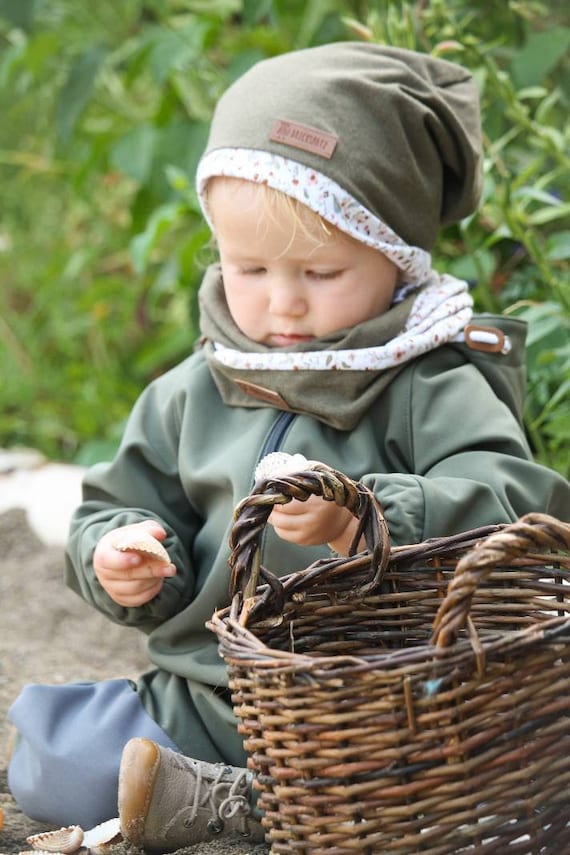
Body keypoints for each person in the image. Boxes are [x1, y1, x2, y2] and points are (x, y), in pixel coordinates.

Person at [8, 41, 570, 851]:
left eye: (321, 272)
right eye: (250, 266)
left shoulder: (430, 380)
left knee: (477, 777)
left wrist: (363, 514)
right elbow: (118, 498)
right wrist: (122, 557)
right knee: (50, 764)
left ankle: (251, 804)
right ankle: (257, 796)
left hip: (390, 699)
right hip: (221, 691)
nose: (282, 303)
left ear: (396, 256)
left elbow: (514, 497)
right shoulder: (194, 387)